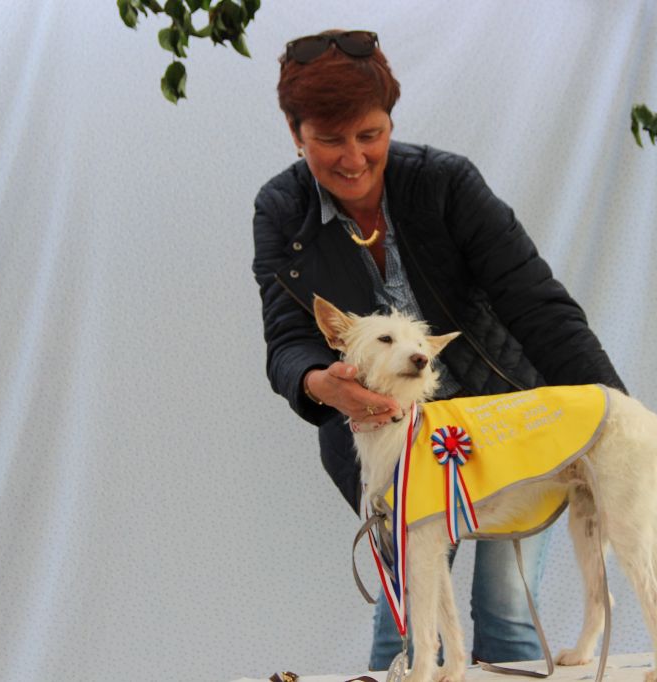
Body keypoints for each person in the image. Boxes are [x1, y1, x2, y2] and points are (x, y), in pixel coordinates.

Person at [251, 29, 627, 669]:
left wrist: (617, 419)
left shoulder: (446, 183)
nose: (353, 158)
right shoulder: (280, 211)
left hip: (509, 427)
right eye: (330, 140)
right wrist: (320, 382)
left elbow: (535, 303)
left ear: (390, 121)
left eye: (370, 135)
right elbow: (287, 340)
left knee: (506, 607)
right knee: (405, 620)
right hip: (395, 447)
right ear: (295, 133)